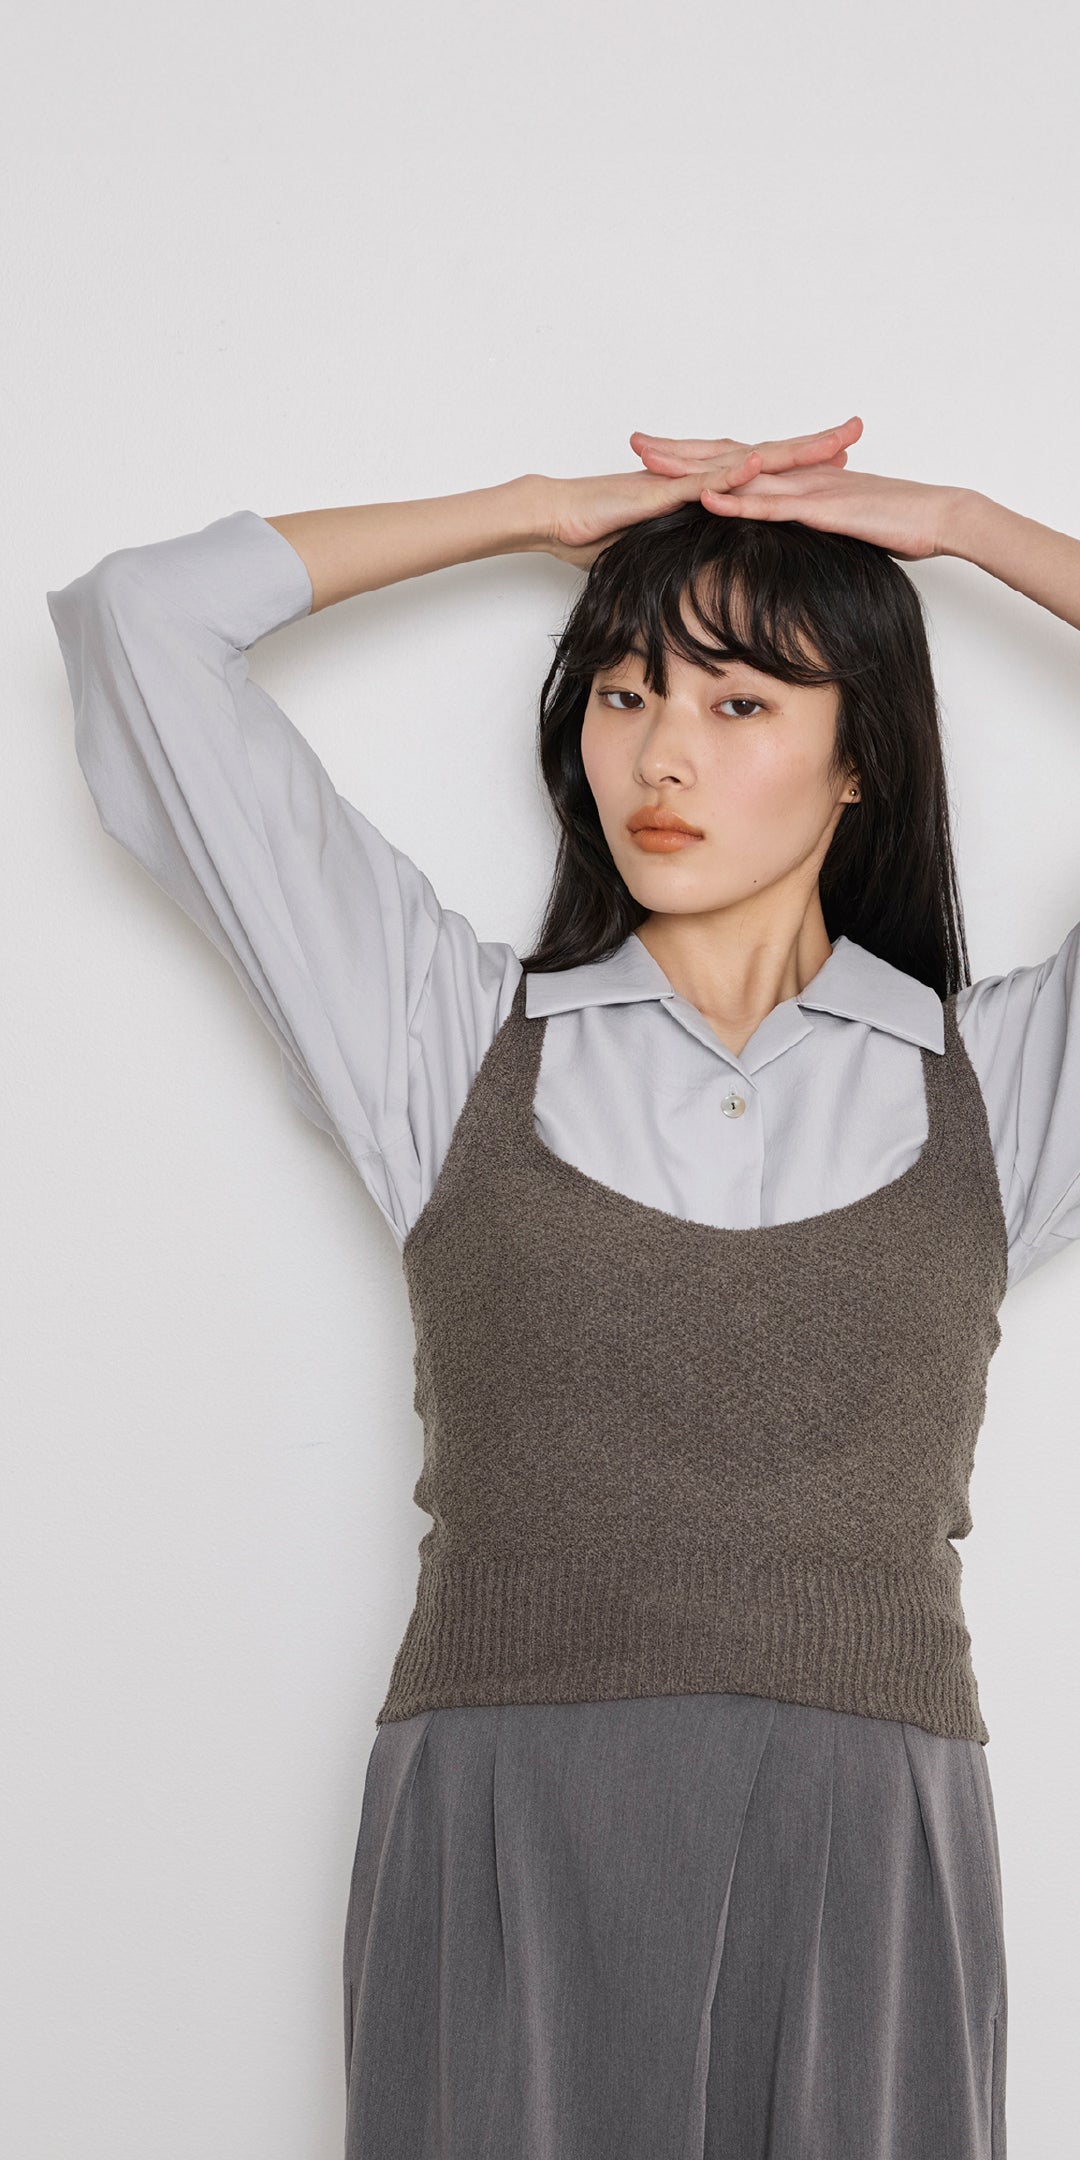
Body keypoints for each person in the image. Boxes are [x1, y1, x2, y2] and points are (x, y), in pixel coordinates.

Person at [44, 417, 1080, 2158]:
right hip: (508, 1817)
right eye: (622, 692)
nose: (660, 753)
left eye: (740, 702)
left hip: (867, 1834)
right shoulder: (447, 1043)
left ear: (861, 760)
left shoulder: (996, 1089)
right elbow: (142, 623)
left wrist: (967, 526)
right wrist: (531, 513)